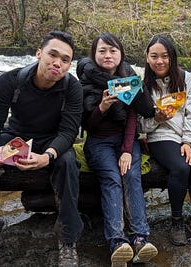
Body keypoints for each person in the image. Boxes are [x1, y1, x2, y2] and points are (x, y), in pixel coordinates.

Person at [0, 31, 84, 266]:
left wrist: (47, 157)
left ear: (68, 65)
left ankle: (68, 241)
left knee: (68, 162)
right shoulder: (11, 81)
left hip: (52, 141)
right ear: (39, 53)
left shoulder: (72, 88)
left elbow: (68, 132)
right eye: (52, 55)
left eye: (64, 60)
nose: (57, 63)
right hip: (16, 136)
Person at [76, 32, 157, 267]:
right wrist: (101, 107)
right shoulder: (85, 81)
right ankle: (117, 242)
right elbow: (88, 125)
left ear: (121, 54)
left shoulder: (128, 77)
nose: (108, 55)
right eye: (102, 51)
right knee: (111, 178)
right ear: (94, 54)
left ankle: (140, 238)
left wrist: (126, 149)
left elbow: (133, 116)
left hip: (126, 140)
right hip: (98, 141)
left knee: (131, 175)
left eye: (113, 51)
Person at [139, 35, 191, 250]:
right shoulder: (142, 84)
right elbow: (141, 124)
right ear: (147, 58)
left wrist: (188, 141)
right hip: (161, 135)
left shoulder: (187, 78)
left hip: (190, 134)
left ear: (172, 58)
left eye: (165, 56)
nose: (159, 61)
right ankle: (176, 220)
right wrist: (157, 119)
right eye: (154, 56)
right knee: (180, 167)